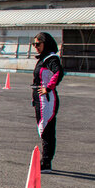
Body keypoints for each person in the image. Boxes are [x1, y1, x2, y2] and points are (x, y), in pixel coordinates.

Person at [31, 32, 64, 173]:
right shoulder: (43, 59)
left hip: (47, 100)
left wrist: (48, 88)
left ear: (46, 43)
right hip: (40, 99)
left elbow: (58, 73)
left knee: (46, 130)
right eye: (34, 44)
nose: (36, 47)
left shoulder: (51, 58)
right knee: (43, 130)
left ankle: (46, 162)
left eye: (38, 44)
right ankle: (45, 160)